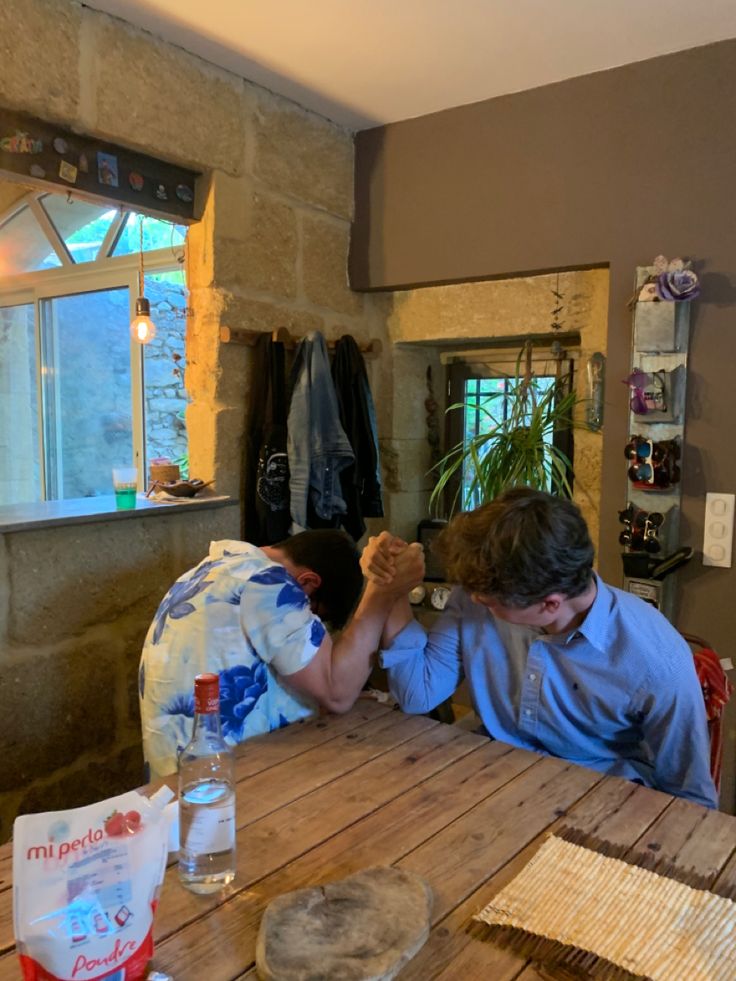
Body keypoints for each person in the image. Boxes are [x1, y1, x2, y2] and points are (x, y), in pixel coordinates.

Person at [362, 488, 718, 809]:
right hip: (493, 774)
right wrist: (390, 584)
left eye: (489, 603)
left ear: (549, 604)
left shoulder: (657, 662)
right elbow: (419, 692)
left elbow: (692, 800)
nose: (475, 601)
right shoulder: (483, 594)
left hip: (597, 798)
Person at [139, 529, 424, 779]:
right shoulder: (268, 582)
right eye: (313, 616)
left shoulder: (208, 571)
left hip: (179, 777)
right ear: (308, 583)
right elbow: (337, 693)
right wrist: (381, 593)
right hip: (219, 786)